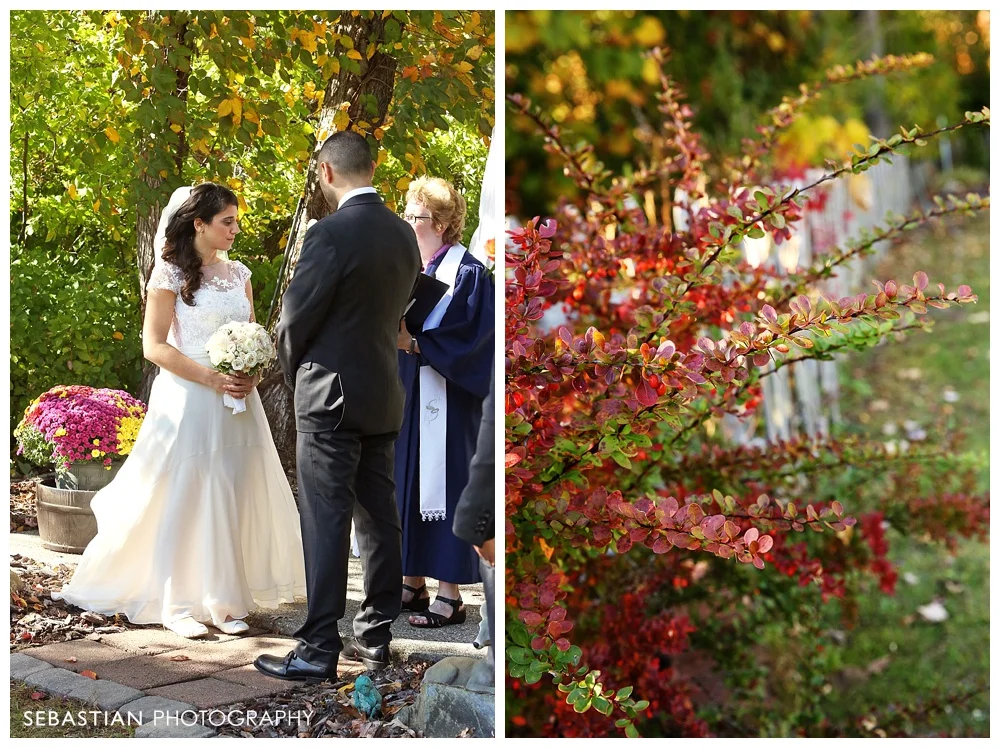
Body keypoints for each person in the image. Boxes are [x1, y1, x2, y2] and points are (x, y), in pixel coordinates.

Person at [55, 183, 307, 639]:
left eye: (235, 221)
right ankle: (177, 602)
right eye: (226, 221)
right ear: (199, 224)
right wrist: (211, 378)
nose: (234, 229)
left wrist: (250, 372)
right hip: (189, 396)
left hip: (237, 400)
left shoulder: (240, 273)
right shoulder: (168, 274)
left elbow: (250, 334)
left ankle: (224, 599)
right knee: (188, 494)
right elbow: (153, 346)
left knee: (230, 490)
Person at [254, 131, 421, 682]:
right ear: (372, 168)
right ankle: (375, 638)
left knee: (325, 519)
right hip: (382, 392)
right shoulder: (404, 235)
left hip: (329, 396)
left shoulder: (328, 234)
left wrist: (292, 369)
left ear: (326, 172)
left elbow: (295, 321)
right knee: (379, 518)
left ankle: (319, 646)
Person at [395, 177, 494, 628]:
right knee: (408, 480)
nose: (407, 223)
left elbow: (473, 341)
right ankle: (411, 581)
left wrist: (417, 344)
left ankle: (449, 595)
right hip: (405, 393)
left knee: (446, 483)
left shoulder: (468, 273)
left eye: (413, 216)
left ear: (437, 223)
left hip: (449, 402)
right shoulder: (402, 268)